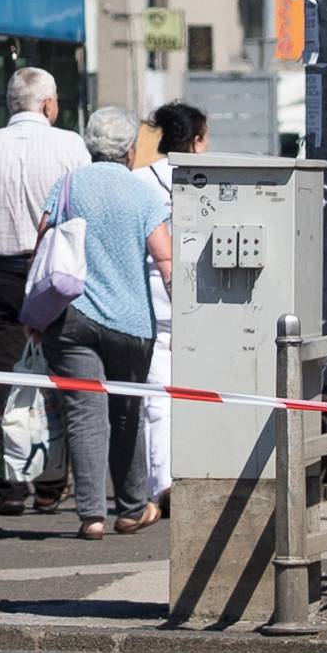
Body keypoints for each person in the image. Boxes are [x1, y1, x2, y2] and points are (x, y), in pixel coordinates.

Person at [0, 67, 89, 517]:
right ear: (48, 105)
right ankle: (50, 483)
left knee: (3, 381)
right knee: (58, 375)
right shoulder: (70, 146)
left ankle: (10, 486)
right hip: (54, 276)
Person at [39, 104, 172, 540]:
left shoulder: (67, 185)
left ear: (89, 144)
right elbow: (165, 259)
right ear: (131, 150)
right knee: (126, 412)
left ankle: (91, 516)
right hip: (131, 324)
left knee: (84, 414)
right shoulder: (144, 193)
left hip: (71, 316)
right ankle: (132, 509)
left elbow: (42, 241)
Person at [136, 100, 208, 518]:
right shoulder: (210, 179)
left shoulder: (139, 179)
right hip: (204, 297)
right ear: (195, 140)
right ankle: (203, 472)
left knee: (157, 398)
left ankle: (159, 483)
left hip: (153, 298)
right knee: (206, 392)